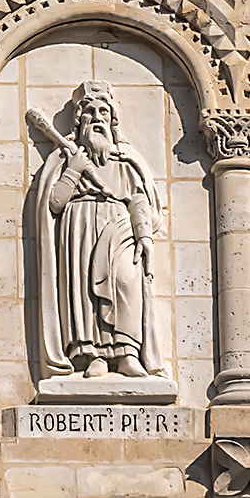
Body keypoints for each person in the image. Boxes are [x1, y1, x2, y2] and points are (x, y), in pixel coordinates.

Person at [31, 80, 164, 380]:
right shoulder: (65, 160)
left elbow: (139, 197)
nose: (97, 118)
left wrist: (143, 233)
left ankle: (128, 351)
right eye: (89, 112)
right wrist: (75, 168)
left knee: (126, 282)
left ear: (112, 120)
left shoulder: (126, 160)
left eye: (103, 111)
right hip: (79, 228)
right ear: (79, 122)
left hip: (120, 227)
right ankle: (93, 355)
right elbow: (54, 203)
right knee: (84, 290)